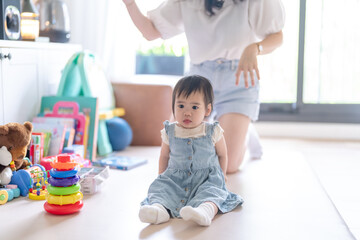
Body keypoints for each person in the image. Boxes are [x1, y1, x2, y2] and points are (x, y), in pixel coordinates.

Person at [122, 0, 285, 173]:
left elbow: (277, 36)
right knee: (176, 153)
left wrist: (255, 48)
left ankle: (243, 130)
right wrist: (130, 4)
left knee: (227, 165)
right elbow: (150, 31)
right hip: (199, 81)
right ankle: (224, 123)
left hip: (238, 78)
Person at [139, 75, 243, 226]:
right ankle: (159, 210)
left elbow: (222, 154)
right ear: (173, 106)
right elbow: (164, 156)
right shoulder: (170, 131)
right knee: (162, 191)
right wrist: (161, 176)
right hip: (176, 177)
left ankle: (204, 211)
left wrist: (222, 174)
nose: (187, 113)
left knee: (212, 193)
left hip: (206, 178)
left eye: (194, 107)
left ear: (207, 110)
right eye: (181, 106)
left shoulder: (212, 130)